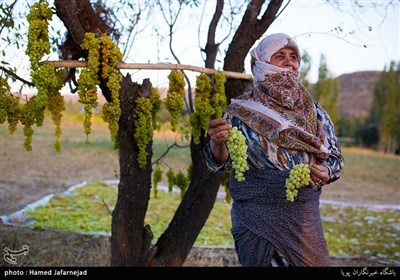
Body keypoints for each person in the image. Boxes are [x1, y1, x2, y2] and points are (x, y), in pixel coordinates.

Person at [204, 33, 345, 267]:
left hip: (303, 223)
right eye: (280, 56)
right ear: (261, 63)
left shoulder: (316, 113)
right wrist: (217, 143)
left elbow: (336, 160)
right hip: (255, 220)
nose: (289, 62)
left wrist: (326, 172)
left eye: (293, 57)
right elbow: (216, 162)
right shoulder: (239, 112)